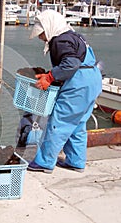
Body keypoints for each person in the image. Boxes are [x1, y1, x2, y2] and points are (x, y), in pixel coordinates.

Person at [26, 10, 102, 173]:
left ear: (49, 27)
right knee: (78, 123)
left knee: (59, 122)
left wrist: (50, 77)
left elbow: (71, 64)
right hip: (93, 79)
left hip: (79, 83)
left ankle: (45, 162)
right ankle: (76, 160)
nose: (41, 37)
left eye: (41, 33)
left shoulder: (60, 40)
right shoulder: (75, 36)